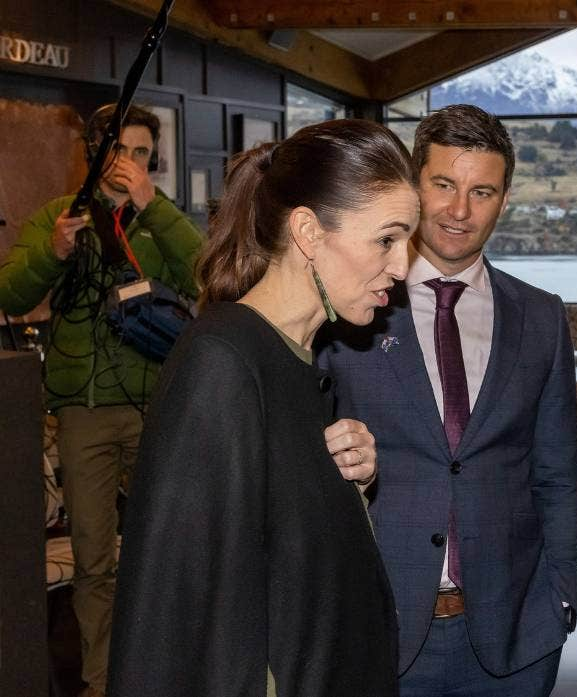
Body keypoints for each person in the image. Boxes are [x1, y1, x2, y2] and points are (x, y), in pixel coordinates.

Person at [107, 119, 418, 696]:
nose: (402, 267)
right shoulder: (223, 361)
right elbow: (184, 612)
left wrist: (350, 487)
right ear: (308, 231)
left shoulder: (292, 355)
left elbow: (285, 554)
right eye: (386, 239)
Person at [318, 104, 577, 697]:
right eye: (443, 185)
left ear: (503, 200)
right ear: (413, 185)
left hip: (514, 643)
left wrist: (562, 591)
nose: (459, 210)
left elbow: (557, 472)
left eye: (481, 192)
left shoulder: (540, 317)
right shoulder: (350, 309)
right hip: (377, 633)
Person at [0, 103, 201, 697]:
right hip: (83, 412)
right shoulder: (58, 217)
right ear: (95, 152)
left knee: (169, 545)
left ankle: (170, 668)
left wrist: (154, 207)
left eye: (141, 153)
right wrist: (53, 252)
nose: (129, 163)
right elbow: (11, 294)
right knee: (94, 558)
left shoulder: (160, 218)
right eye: (120, 150)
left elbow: (207, 274)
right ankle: (101, 681)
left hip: (156, 406)